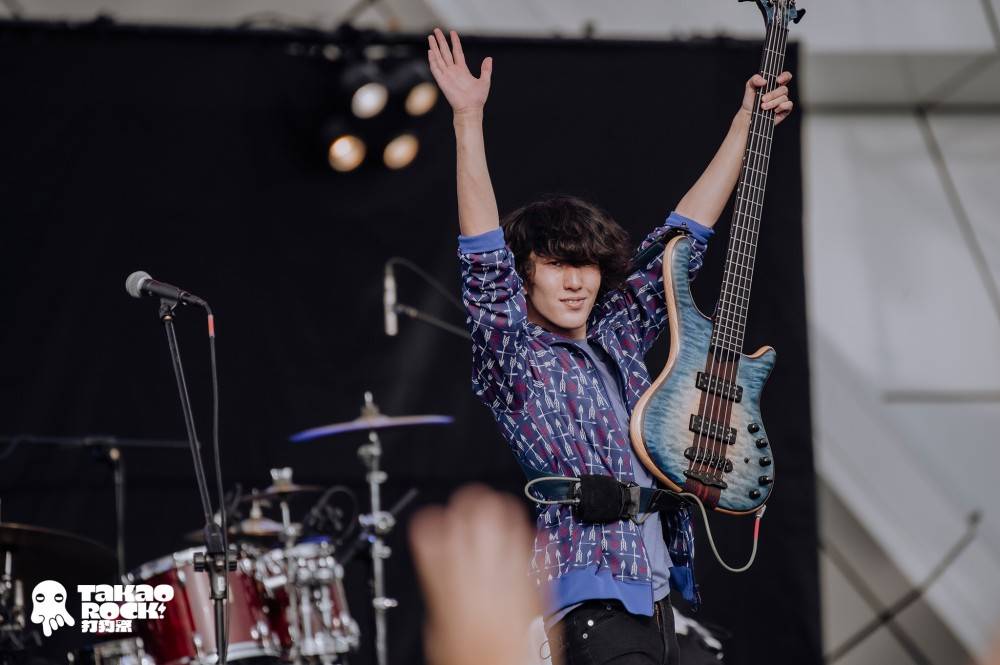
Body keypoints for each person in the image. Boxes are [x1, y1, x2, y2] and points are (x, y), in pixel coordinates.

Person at [426, 27, 794, 665]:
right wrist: (467, 120)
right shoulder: (517, 356)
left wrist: (745, 125)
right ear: (525, 275)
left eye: (587, 266)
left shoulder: (616, 333)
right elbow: (483, 258)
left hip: (659, 594)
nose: (576, 281)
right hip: (589, 596)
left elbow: (683, 239)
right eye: (556, 265)